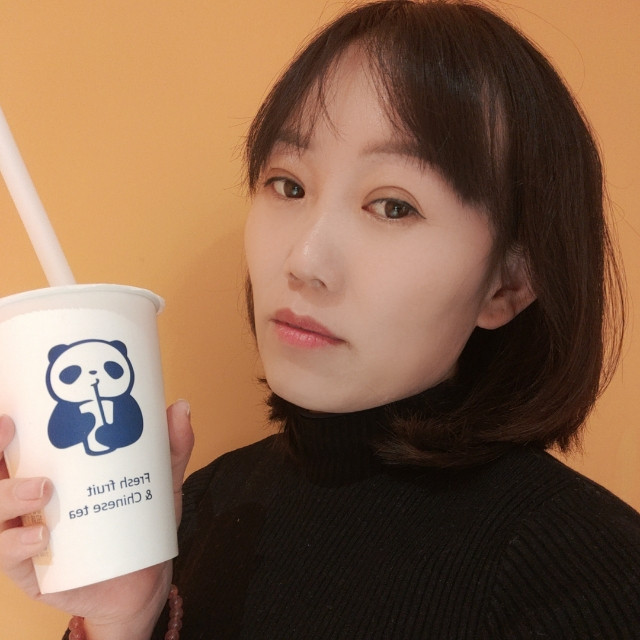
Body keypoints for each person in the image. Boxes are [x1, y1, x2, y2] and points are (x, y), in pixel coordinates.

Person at [1, 0, 639, 638]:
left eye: (393, 206)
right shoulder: (195, 512)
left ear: (509, 283)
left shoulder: (588, 577)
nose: (304, 262)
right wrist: (123, 617)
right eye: (289, 185)